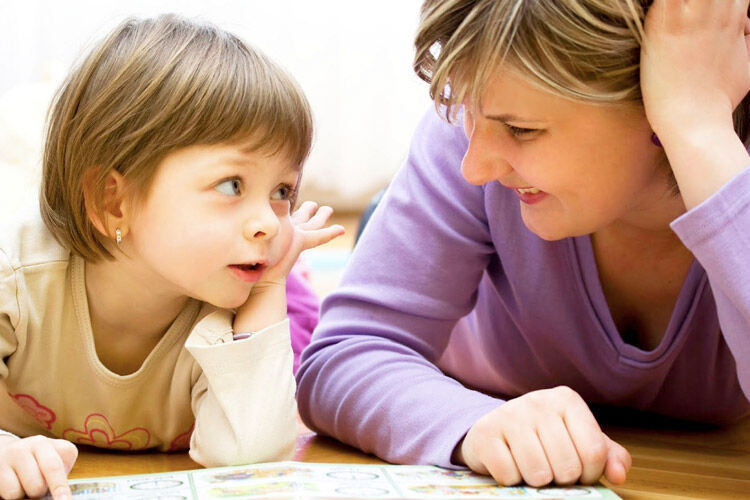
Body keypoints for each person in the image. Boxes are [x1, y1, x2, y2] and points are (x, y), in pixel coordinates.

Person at [297, 0, 750, 489]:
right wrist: (470, 422)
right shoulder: (461, 147)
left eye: (522, 130)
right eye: (467, 111)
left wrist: (700, 127)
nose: (475, 168)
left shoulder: (701, 122)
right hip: (451, 347)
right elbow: (343, 357)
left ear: (661, 101)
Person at [0, 14, 344, 500]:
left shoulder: (222, 300)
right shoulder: (16, 276)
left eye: (282, 190)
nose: (268, 220)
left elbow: (249, 458)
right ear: (112, 200)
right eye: (231, 185)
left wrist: (269, 288)